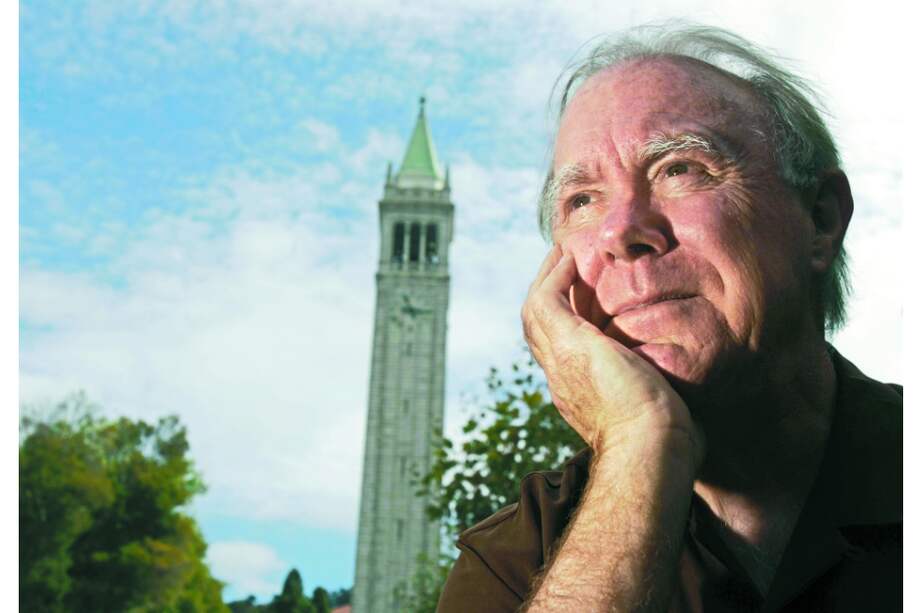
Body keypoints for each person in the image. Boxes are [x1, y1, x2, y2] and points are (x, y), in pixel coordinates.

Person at [436, 23, 902, 613]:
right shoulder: (519, 555)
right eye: (582, 201)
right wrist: (641, 439)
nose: (621, 232)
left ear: (821, 218)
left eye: (679, 170)